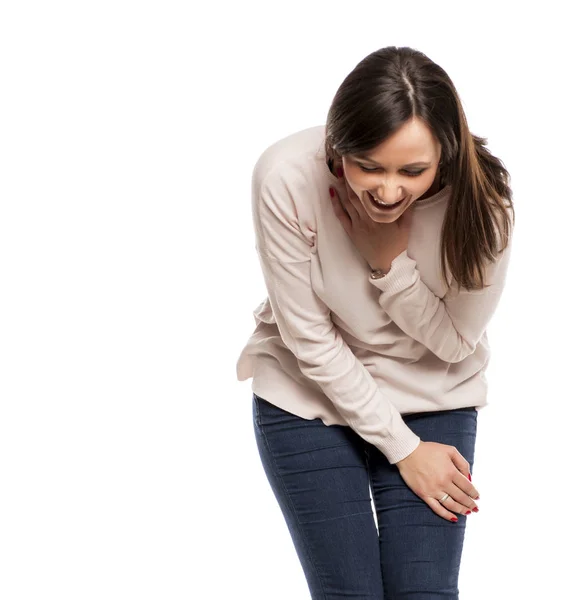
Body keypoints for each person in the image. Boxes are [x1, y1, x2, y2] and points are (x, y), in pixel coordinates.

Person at [236, 46, 514, 599]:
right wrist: (404, 449)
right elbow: (309, 339)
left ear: (447, 154)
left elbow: (457, 343)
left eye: (413, 171)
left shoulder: (484, 204)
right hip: (308, 393)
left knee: (423, 592)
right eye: (369, 167)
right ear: (337, 148)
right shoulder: (287, 176)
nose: (388, 192)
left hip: (431, 391)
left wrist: (389, 265)